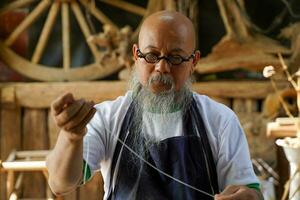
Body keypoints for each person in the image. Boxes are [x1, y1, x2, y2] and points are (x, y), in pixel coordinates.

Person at [46, 10, 263, 200]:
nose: (162, 67)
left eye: (175, 58)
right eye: (151, 55)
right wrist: (71, 137)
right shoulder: (107, 118)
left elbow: (248, 190)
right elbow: (60, 184)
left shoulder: (220, 121)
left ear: (194, 62)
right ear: (135, 56)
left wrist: (249, 196)